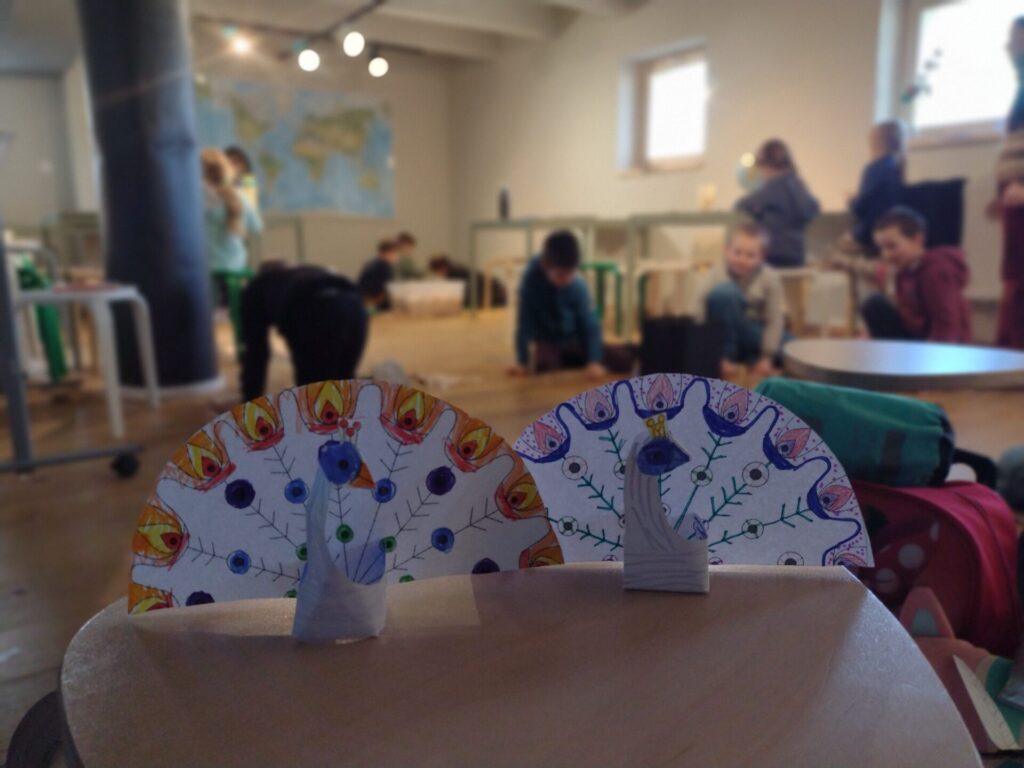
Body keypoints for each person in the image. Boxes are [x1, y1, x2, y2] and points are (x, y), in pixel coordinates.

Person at [240, 262, 368, 401]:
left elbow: (256, 350)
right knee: (344, 382)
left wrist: (250, 398)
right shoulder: (301, 273)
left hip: (313, 307)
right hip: (354, 305)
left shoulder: (256, 287)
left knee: (314, 393)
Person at [861, 207, 971, 344]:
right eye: (881, 248)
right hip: (918, 339)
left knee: (875, 304)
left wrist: (934, 354)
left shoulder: (936, 271)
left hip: (942, 345)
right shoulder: (903, 270)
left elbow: (946, 323)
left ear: (917, 240)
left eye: (892, 246)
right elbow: (907, 315)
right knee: (875, 305)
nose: (886, 254)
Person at [510, 230, 606, 380]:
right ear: (544, 266)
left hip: (574, 341)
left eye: (571, 273)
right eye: (561, 274)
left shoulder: (577, 285)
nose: (566, 280)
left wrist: (594, 361)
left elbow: (590, 324)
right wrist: (522, 361)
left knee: (616, 357)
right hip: (548, 342)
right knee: (543, 363)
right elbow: (525, 323)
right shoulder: (530, 283)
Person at [697, 222, 786, 378]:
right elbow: (699, 306)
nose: (742, 260)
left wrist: (767, 356)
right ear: (726, 251)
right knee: (725, 292)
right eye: (737, 253)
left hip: (751, 331)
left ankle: (754, 359)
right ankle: (727, 358)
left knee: (792, 347)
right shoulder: (717, 272)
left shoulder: (770, 277)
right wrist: (708, 349)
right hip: (722, 334)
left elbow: (774, 319)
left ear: (761, 257)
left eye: (750, 255)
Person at [735, 139, 820, 268]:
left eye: (760, 167)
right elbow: (813, 207)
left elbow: (741, 206)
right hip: (797, 258)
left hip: (773, 259)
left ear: (768, 166)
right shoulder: (798, 185)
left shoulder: (773, 187)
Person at [993, 16, 1024, 349]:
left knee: (1018, 280)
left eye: (1015, 40)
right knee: (1013, 277)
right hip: (1012, 196)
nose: (1009, 47)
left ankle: (1013, 356)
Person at [201, 148, 262, 298]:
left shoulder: (198, 197)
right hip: (236, 271)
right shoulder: (241, 196)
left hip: (207, 272)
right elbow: (257, 227)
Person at [846, 121, 906, 254]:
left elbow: (860, 208)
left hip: (871, 233)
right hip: (893, 230)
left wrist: (851, 201)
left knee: (841, 245)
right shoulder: (896, 168)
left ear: (875, 144)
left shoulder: (874, 168)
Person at [428, 254, 507, 307]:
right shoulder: (455, 271)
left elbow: (467, 293)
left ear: (442, 268)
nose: (437, 275)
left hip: (492, 291)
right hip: (491, 290)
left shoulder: (455, 273)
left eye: (436, 272)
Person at [358, 239, 399, 309]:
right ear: (385, 253)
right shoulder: (383, 267)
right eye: (394, 253)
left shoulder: (372, 263)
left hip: (364, 301)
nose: (396, 257)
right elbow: (383, 291)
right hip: (372, 304)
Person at [225, 145, 260, 214]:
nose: (232, 167)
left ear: (244, 165)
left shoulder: (249, 181)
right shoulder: (223, 181)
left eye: (235, 163)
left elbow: (250, 205)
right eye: (228, 163)